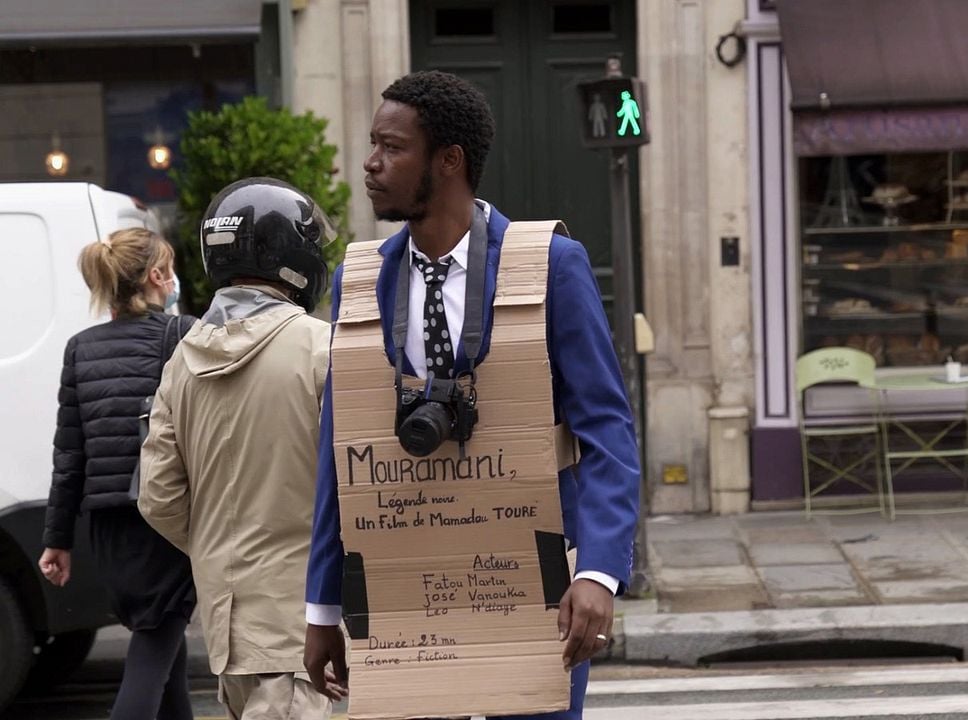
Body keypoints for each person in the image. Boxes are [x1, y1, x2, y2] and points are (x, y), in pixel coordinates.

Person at [303, 70, 640, 719]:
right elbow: (337, 452)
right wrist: (322, 605)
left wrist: (598, 572)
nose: (370, 164)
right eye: (373, 144)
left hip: (537, 579)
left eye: (392, 147)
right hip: (406, 580)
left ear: (449, 161)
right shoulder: (358, 281)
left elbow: (607, 429)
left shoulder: (550, 267)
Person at [138, 178, 335, 720]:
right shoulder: (321, 348)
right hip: (299, 625)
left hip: (227, 630)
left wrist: (217, 544)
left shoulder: (181, 362)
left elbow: (157, 498)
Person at [40, 227, 196, 720]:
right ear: (155, 276)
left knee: (163, 643)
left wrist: (56, 540)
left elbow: (69, 456)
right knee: (154, 646)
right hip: (165, 524)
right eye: (169, 270)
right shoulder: (181, 335)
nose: (173, 281)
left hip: (107, 531)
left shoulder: (79, 349)